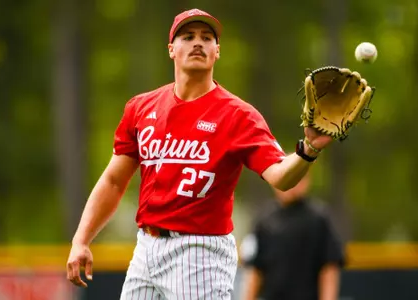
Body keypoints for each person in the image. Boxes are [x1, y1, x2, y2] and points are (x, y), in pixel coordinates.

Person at [66, 8, 334, 299]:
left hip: (200, 253)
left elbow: (281, 177)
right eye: (188, 36)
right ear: (171, 49)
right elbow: (114, 181)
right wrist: (81, 240)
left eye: (207, 38)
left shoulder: (238, 115)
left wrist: (308, 149)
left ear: (217, 51)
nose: (198, 42)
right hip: (146, 246)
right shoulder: (141, 108)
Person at [239, 172, 345, 300]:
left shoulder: (318, 218)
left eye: (297, 178)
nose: (292, 184)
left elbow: (329, 268)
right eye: (286, 177)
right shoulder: (264, 219)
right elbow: (255, 270)